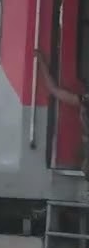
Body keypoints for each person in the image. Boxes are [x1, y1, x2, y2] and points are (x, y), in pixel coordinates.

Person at [36, 51, 89, 181]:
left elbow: (54, 90)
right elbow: (54, 90)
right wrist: (42, 62)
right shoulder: (84, 101)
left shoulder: (84, 101)